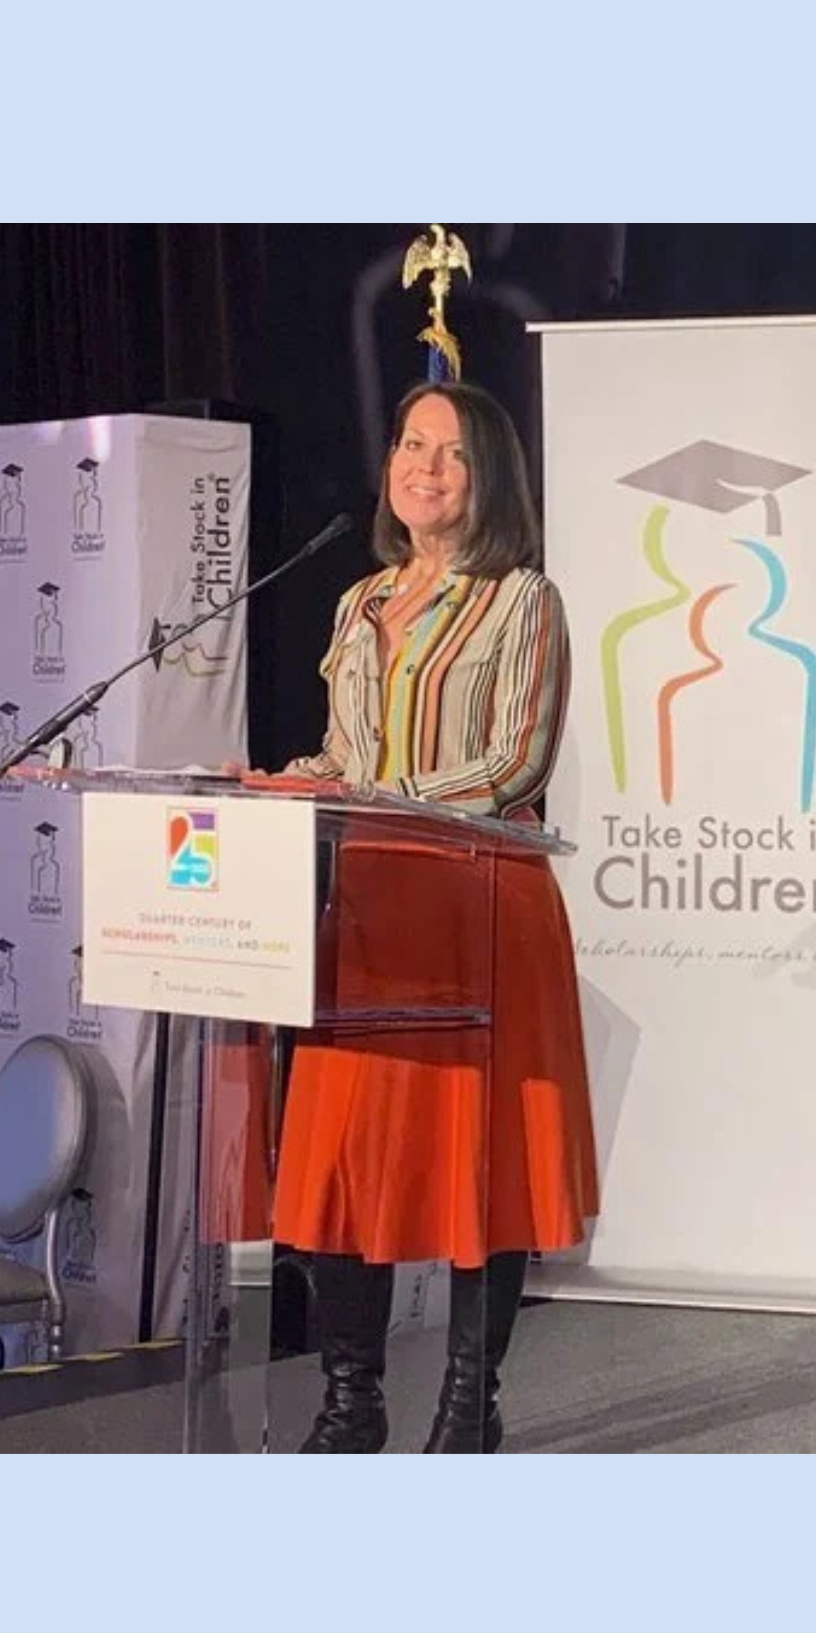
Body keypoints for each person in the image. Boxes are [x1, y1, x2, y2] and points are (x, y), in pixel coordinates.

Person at [270, 380, 600, 1453]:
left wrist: (380, 801)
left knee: (477, 1162)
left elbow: (514, 761)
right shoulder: (357, 601)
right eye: (409, 444)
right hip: (364, 908)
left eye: (449, 453)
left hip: (476, 904)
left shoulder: (523, 599)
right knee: (341, 1161)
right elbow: (346, 751)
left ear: (488, 475)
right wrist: (284, 782)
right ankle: (349, 1396)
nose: (422, 467)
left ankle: (469, 1404)